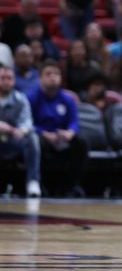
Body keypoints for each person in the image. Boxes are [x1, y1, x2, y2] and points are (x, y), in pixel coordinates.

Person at [27, 60, 88, 197]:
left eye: (56, 74)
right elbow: (27, 123)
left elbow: (74, 122)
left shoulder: (68, 99)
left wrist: (69, 133)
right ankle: (39, 184)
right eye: (48, 74)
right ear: (40, 78)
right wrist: (44, 133)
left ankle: (73, 185)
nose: (53, 77)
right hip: (42, 136)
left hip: (61, 138)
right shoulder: (31, 97)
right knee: (35, 142)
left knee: (80, 143)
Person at [0, 64, 40, 197]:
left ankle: (33, 182)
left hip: (12, 140)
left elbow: (27, 121)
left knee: (32, 137)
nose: (6, 81)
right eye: (2, 78)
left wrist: (21, 130)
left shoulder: (21, 99)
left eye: (9, 78)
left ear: (14, 80)